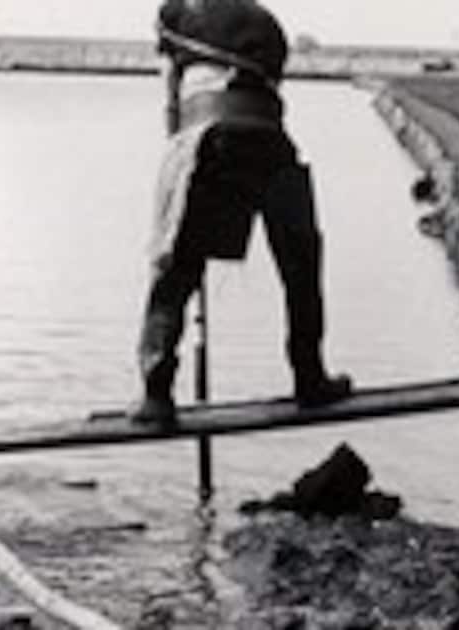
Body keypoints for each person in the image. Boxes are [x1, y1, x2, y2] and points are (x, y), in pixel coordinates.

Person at [132, 0, 352, 425]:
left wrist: (178, 170)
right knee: (301, 265)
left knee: (175, 269)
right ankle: (310, 379)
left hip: (207, 135)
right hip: (270, 138)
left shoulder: (178, 18)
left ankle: (156, 396)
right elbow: (269, 93)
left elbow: (172, 101)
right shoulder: (262, 25)